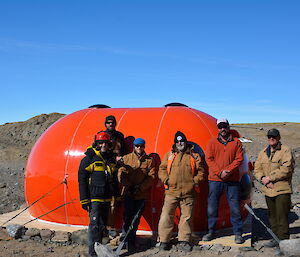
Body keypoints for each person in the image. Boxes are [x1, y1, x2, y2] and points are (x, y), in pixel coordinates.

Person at [157, 131, 205, 252]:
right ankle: (164, 241)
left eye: (182, 141)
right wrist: (166, 180)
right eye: (177, 141)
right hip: (171, 192)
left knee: (186, 217)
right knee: (166, 215)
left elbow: (201, 172)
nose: (180, 143)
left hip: (189, 193)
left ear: (186, 142)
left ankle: (184, 240)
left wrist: (194, 182)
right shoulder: (169, 155)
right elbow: (161, 169)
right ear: (175, 143)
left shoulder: (194, 156)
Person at [203, 118, 244, 244]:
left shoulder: (236, 142)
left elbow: (239, 159)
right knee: (212, 206)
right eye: (220, 127)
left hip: (232, 181)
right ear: (218, 128)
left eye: (224, 126)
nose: (222, 129)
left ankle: (238, 233)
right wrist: (220, 172)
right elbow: (209, 159)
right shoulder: (212, 142)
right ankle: (211, 231)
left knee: (235, 207)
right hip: (215, 180)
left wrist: (228, 171)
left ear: (228, 127)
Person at [78, 131, 119, 257]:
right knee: (94, 226)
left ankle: (99, 249)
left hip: (106, 198)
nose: (103, 145)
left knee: (102, 226)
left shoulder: (111, 159)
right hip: (94, 198)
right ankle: (92, 253)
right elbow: (82, 179)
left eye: (106, 143)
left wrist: (116, 196)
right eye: (100, 143)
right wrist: (84, 200)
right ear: (96, 144)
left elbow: (114, 179)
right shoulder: (89, 159)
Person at [254, 128, 294, 248]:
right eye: (270, 137)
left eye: (274, 137)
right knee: (272, 216)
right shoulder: (262, 153)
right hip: (268, 190)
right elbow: (257, 169)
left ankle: (284, 242)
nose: (272, 139)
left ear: (279, 138)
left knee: (282, 216)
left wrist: (269, 179)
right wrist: (262, 179)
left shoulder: (285, 151)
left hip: (282, 189)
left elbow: (286, 169)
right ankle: (275, 238)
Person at [118, 138, 156, 252]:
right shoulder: (127, 158)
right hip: (129, 193)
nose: (139, 148)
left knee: (136, 218)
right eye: (137, 146)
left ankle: (131, 240)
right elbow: (121, 174)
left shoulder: (149, 160)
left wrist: (140, 188)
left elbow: (151, 177)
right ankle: (125, 239)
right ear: (134, 147)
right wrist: (129, 186)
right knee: (128, 217)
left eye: (141, 146)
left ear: (144, 146)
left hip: (141, 194)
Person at [103, 115, 125, 237]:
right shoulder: (101, 135)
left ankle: (111, 227)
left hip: (117, 170)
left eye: (112, 123)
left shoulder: (119, 136)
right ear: (105, 124)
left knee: (114, 199)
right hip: (105, 170)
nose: (111, 124)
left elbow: (124, 152)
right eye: (108, 123)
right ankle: (102, 226)